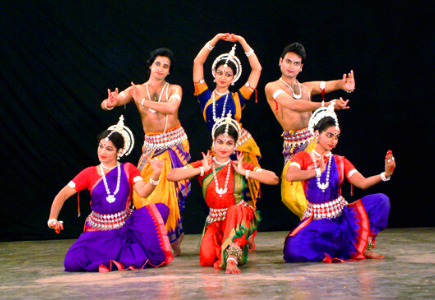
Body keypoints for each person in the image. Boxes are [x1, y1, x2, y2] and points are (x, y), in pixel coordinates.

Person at [48, 116, 173, 272]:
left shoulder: (128, 169)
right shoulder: (89, 173)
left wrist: (156, 175)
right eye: (101, 146)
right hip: (98, 230)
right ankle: (112, 255)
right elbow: (63, 194)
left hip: (124, 228)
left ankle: (118, 254)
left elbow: (143, 192)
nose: (102, 152)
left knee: (162, 209)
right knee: (72, 262)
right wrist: (52, 219)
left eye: (109, 149)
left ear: (119, 151)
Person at [101, 48, 190, 256]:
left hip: (174, 143)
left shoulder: (175, 89)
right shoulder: (136, 90)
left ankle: (173, 238)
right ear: (150, 65)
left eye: (165, 66)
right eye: (157, 64)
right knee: (143, 195)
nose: (161, 69)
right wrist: (109, 104)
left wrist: (141, 101)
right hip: (151, 146)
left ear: (169, 71)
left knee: (169, 196)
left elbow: (170, 109)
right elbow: (113, 101)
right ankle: (156, 236)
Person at [167, 113, 279, 274]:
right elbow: (171, 175)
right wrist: (200, 170)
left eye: (229, 143)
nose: (223, 147)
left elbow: (273, 179)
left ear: (235, 146)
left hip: (238, 217)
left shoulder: (238, 165)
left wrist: (245, 173)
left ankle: (233, 254)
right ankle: (237, 244)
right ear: (213, 142)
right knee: (207, 259)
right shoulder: (205, 165)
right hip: (215, 219)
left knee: (235, 210)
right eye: (220, 142)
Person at [283, 105, 396, 262]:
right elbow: (290, 175)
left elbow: (362, 183)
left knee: (381, 201)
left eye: (336, 137)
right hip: (316, 221)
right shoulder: (302, 157)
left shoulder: (340, 161)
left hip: (341, 218)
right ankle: (331, 251)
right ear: (317, 134)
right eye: (329, 135)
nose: (333, 141)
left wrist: (386, 174)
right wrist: (317, 171)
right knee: (292, 249)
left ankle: (366, 247)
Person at [264, 42, 354, 219]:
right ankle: (316, 223)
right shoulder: (272, 87)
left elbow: (330, 85)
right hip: (292, 146)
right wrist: (325, 104)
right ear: (280, 62)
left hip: (314, 144)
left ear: (301, 67)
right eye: (288, 61)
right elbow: (292, 104)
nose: (291, 66)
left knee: (321, 187)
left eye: (296, 63)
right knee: (290, 195)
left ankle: (337, 223)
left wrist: (345, 85)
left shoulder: (306, 87)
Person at [193, 33, 262, 208]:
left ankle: (242, 229)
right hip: (219, 148)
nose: (223, 77)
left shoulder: (238, 97)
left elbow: (257, 69)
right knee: (220, 192)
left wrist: (243, 41)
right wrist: (214, 39)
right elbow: (197, 62)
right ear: (214, 74)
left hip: (240, 148)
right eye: (220, 73)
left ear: (233, 78)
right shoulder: (204, 95)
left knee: (241, 192)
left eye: (228, 74)